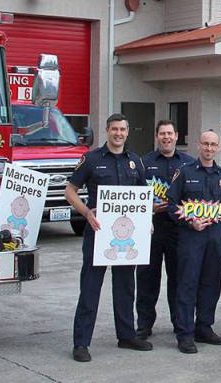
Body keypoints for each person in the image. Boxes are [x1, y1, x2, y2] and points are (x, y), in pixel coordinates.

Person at [65, 114, 151, 363]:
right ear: (107, 130)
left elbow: (142, 195)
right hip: (98, 233)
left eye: (122, 129)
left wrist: (147, 222)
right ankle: (81, 343)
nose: (118, 133)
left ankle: (126, 336)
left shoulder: (135, 161)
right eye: (114, 129)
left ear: (127, 132)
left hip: (128, 236)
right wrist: (86, 213)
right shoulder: (92, 159)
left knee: (125, 287)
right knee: (90, 289)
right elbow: (70, 191)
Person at [167, 130, 221, 353]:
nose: (209, 148)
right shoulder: (185, 172)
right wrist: (190, 222)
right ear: (199, 145)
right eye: (205, 144)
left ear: (218, 147)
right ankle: (185, 333)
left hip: (215, 238)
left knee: (211, 284)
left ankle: (204, 327)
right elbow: (171, 205)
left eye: (213, 145)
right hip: (191, 238)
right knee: (188, 284)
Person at [136, 119, 194, 341]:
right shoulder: (144, 163)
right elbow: (134, 194)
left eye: (170, 133)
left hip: (179, 229)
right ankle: (144, 325)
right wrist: (147, 207)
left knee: (178, 279)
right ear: (156, 136)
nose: (166, 137)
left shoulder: (188, 163)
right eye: (162, 134)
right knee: (147, 278)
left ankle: (180, 323)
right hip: (151, 228)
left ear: (177, 136)